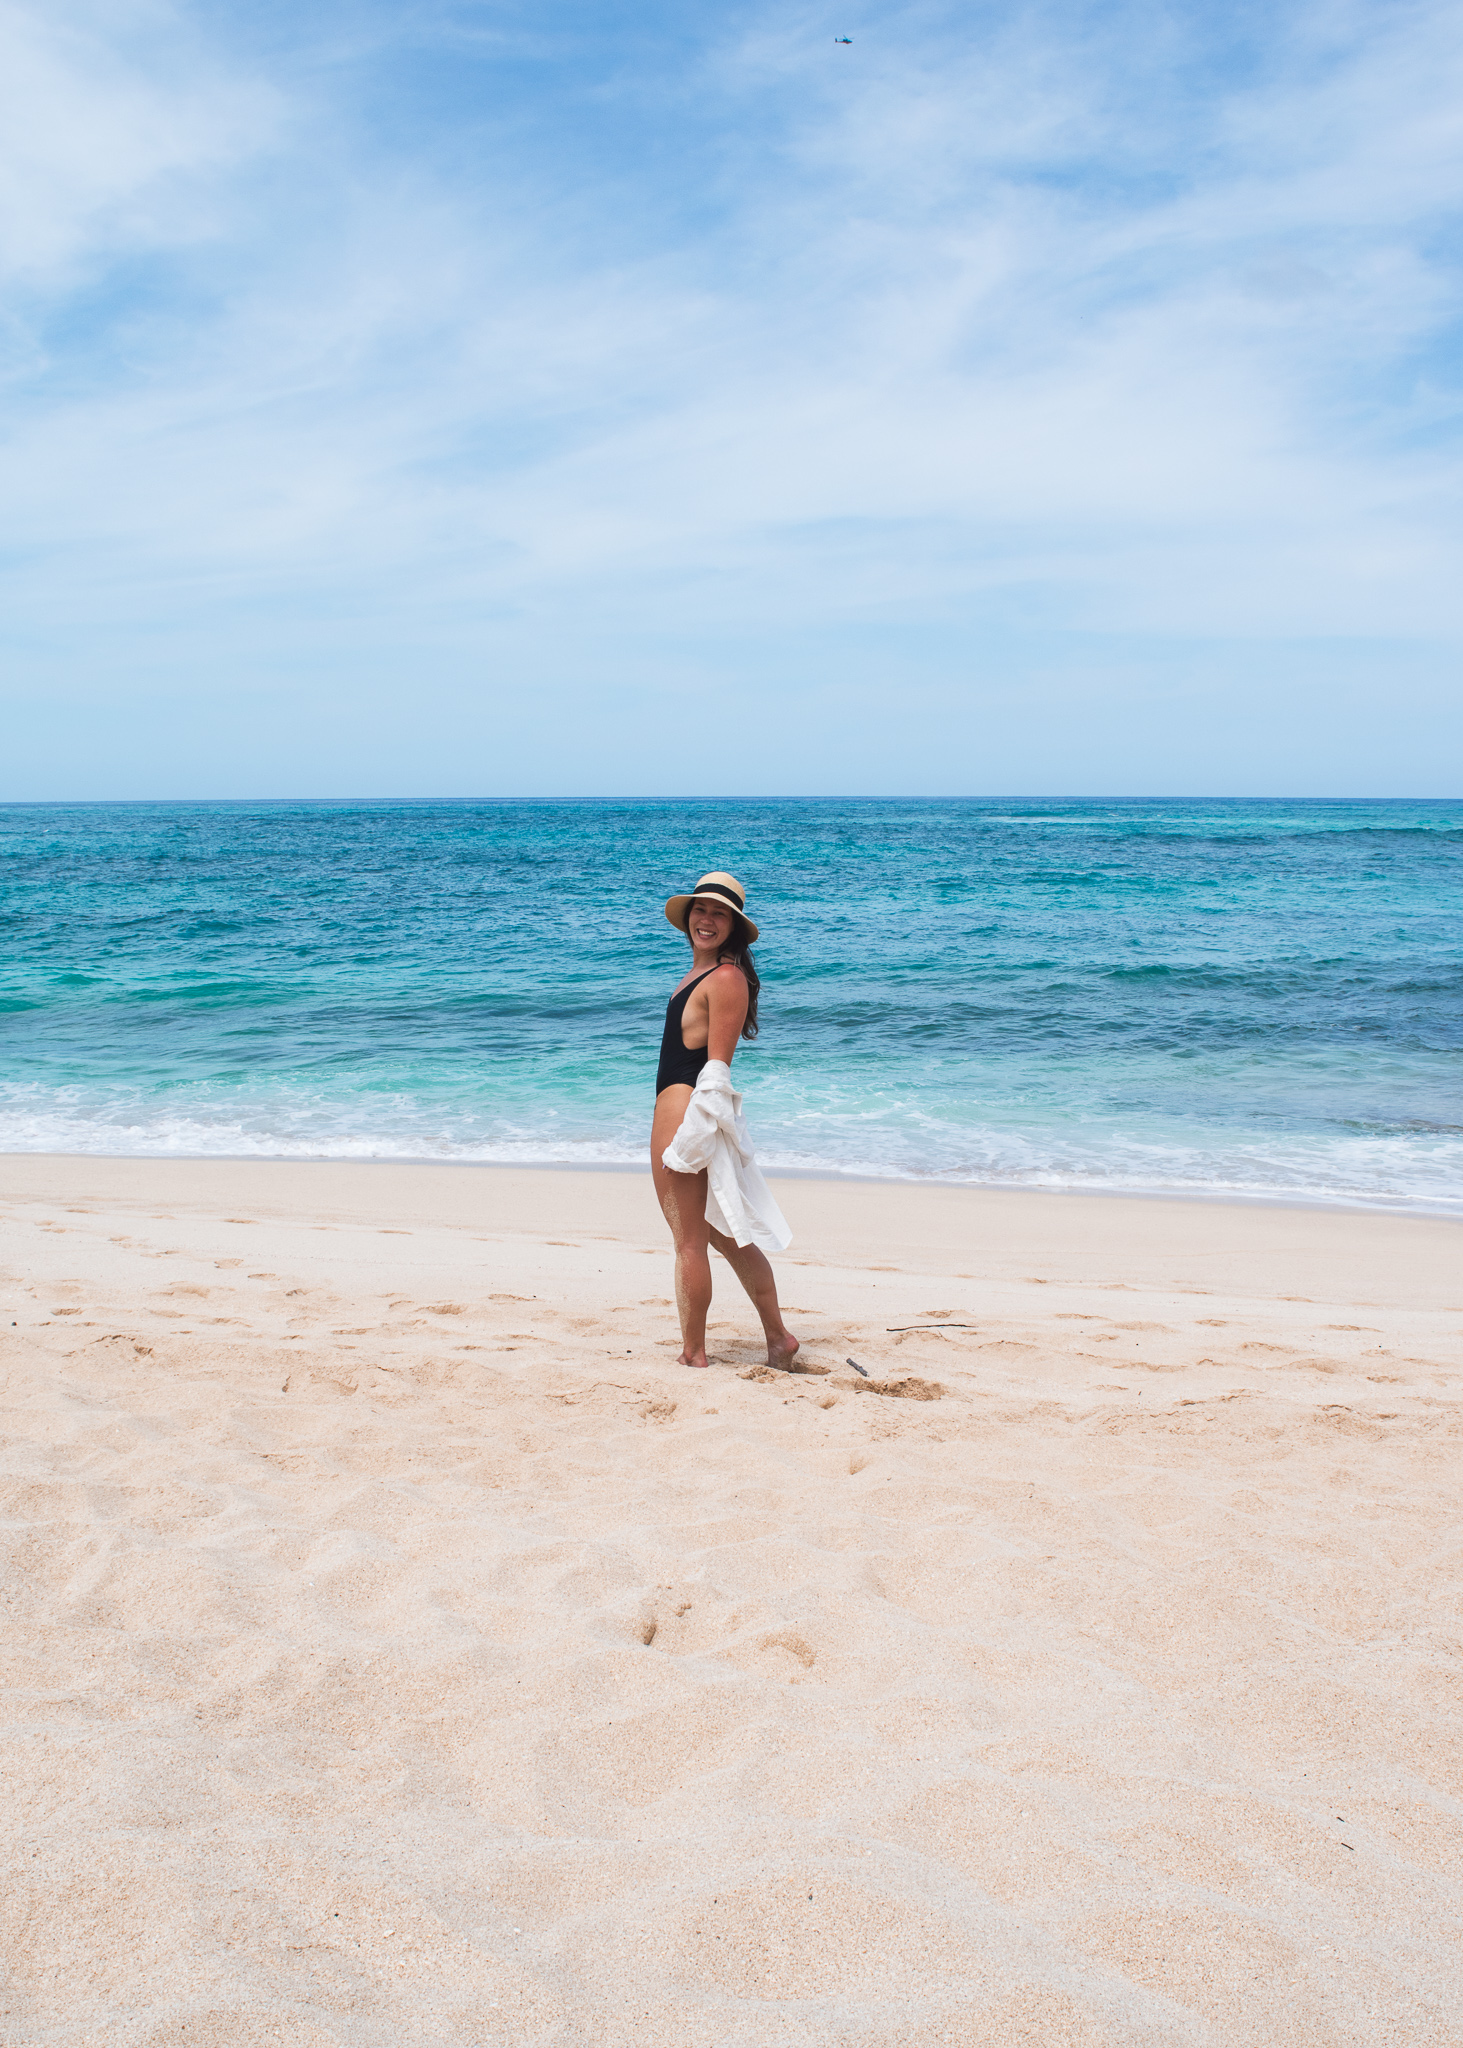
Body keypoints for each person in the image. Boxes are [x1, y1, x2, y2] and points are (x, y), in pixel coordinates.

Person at [651, 871, 799, 1372]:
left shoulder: (726, 978)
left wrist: (695, 1138)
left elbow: (716, 1072)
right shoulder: (697, 976)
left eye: (719, 913)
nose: (706, 919)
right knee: (719, 1234)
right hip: (678, 1107)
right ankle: (779, 1339)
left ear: (734, 927)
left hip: (687, 1111)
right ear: (687, 918)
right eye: (700, 909)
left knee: (690, 1239)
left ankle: (694, 1354)